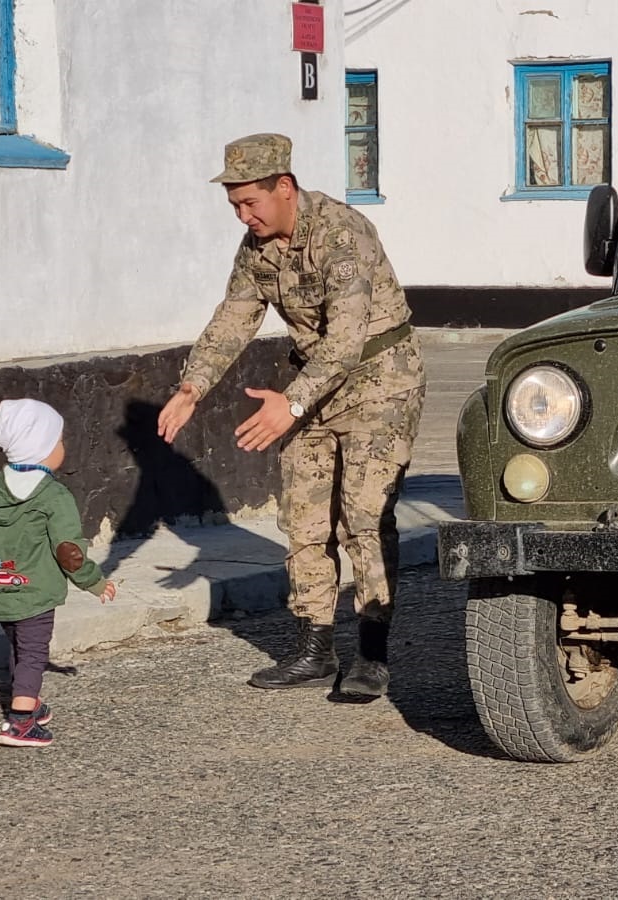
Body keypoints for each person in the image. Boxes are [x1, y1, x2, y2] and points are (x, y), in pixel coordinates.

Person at [157, 133, 426, 701]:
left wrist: (293, 403)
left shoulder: (341, 234)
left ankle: (372, 655)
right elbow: (234, 317)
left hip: (381, 380)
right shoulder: (256, 249)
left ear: (285, 187)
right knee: (304, 517)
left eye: (250, 202)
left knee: (363, 515)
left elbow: (348, 340)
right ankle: (314, 647)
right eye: (233, 206)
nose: (243, 215)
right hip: (311, 381)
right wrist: (192, 387)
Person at [0, 399, 117, 747]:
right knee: (34, 650)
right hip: (35, 590)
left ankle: (29, 700)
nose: (62, 447)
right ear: (42, 447)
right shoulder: (54, 496)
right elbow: (69, 552)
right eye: (59, 440)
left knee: (19, 644)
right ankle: (20, 722)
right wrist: (95, 582)